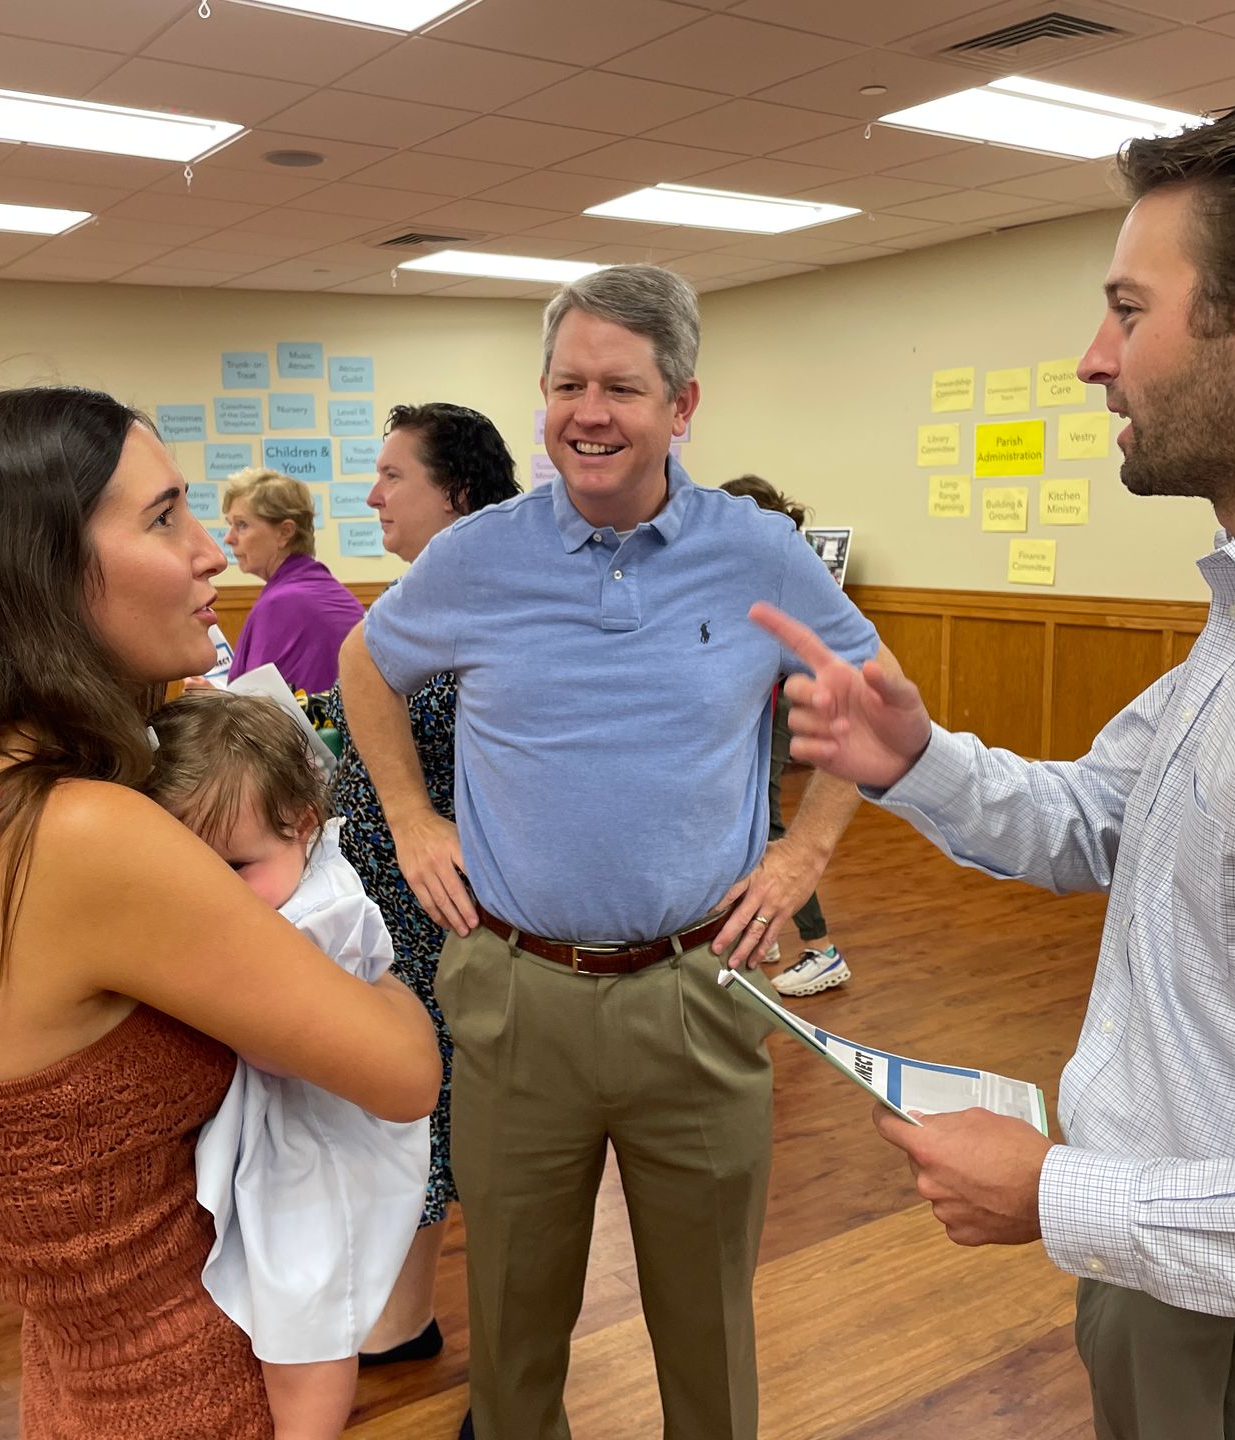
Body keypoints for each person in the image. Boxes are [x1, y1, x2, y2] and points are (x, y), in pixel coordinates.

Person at [755, 82, 1235, 1440]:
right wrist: (917, 761)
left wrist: (1061, 1195)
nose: (1092, 359)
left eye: (1128, 309)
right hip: (1188, 1297)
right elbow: (1112, 820)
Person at [339, 264, 897, 1440]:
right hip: (516, 995)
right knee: (514, 1317)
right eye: (568, 384)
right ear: (542, 398)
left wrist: (805, 856)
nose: (591, 412)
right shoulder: (479, 556)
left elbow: (871, 694)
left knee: (706, 1324)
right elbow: (366, 666)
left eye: (624, 388)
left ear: (682, 406)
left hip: (697, 995)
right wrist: (412, 816)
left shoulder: (756, 554)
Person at [0, 386, 440, 1439]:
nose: (210, 553)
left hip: (85, 1383)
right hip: (193, 1395)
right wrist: (326, 898)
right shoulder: (84, 836)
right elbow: (403, 1070)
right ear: (40, 571)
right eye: (164, 519)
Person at [140, 690, 429, 1440]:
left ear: (303, 828)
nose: (213, 900)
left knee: (309, 1311)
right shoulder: (274, 879)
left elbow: (275, 1035)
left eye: (235, 867)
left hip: (324, 1150)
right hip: (283, 1129)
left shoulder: (320, 909)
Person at [312, 402, 521, 1368]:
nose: (372, 493)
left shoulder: (503, 601)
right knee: (398, 1096)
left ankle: (405, 1316)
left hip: (449, 905)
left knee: (430, 1100)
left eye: (394, 475)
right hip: (396, 895)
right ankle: (394, 1305)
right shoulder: (421, 602)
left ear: (459, 494)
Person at [719, 475, 848, 998]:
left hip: (777, 708)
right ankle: (761, 933)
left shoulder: (780, 572)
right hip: (758, 708)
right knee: (749, 815)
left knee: (768, 820)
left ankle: (822, 947)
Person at [223, 467, 363, 692]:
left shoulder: (282, 603)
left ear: (284, 532)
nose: (228, 538)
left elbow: (255, 713)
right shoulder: (316, 585)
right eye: (230, 524)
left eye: (241, 525)